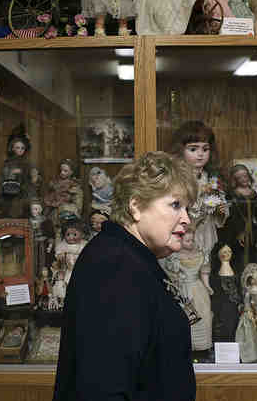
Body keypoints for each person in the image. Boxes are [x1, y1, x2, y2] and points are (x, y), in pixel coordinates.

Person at [53, 151, 197, 401]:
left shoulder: (130, 256)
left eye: (187, 208)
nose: (186, 219)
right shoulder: (115, 264)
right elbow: (104, 387)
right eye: (176, 205)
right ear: (136, 206)